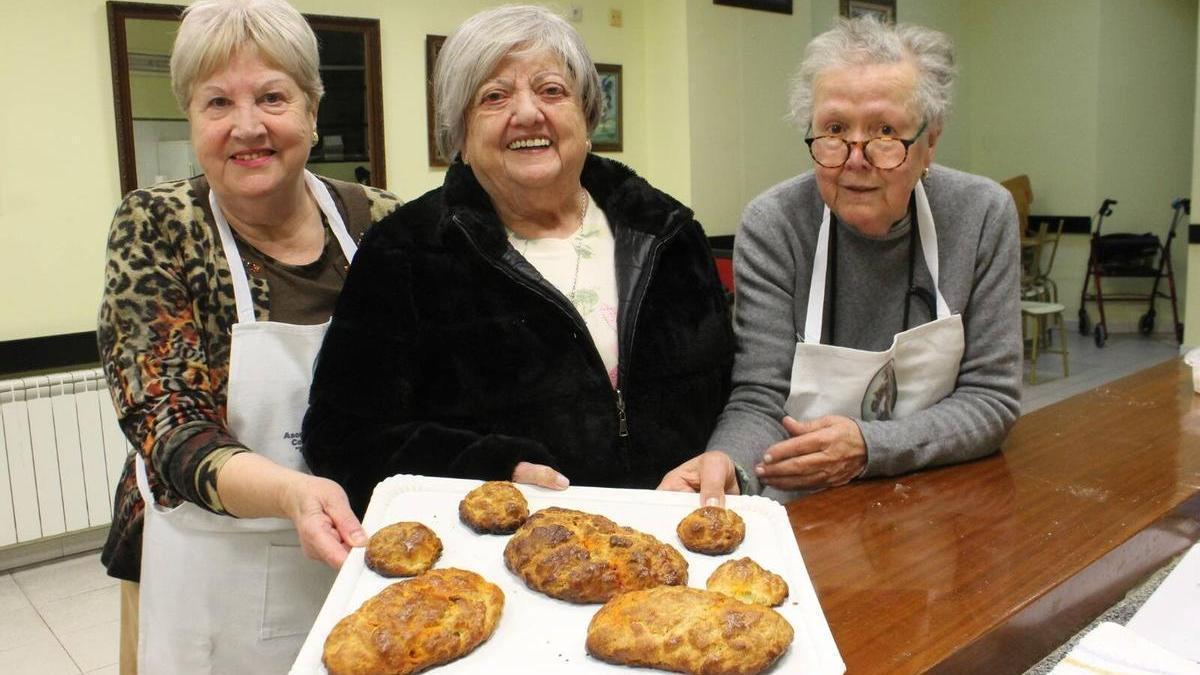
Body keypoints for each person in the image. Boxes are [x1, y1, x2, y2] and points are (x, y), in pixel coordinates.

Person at [302, 5, 735, 515]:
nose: (528, 113)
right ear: (460, 134)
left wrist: (723, 456)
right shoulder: (404, 253)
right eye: (494, 96)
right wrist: (490, 469)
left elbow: (731, 389)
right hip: (502, 564)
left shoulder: (666, 232)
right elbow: (342, 440)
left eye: (552, 90)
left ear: (586, 113)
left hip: (675, 542)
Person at [96, 0, 402, 671]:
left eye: (272, 96)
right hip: (204, 555)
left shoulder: (381, 222)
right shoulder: (160, 226)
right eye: (216, 103)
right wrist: (291, 493)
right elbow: (166, 418)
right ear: (191, 118)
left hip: (354, 540)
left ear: (312, 111)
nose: (247, 127)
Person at [705, 17, 1021, 502]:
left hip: (941, 496)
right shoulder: (775, 225)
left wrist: (870, 446)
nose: (856, 159)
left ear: (929, 142)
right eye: (834, 130)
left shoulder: (980, 215)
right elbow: (759, 399)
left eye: (885, 132)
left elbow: (992, 400)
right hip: (812, 503)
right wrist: (731, 468)